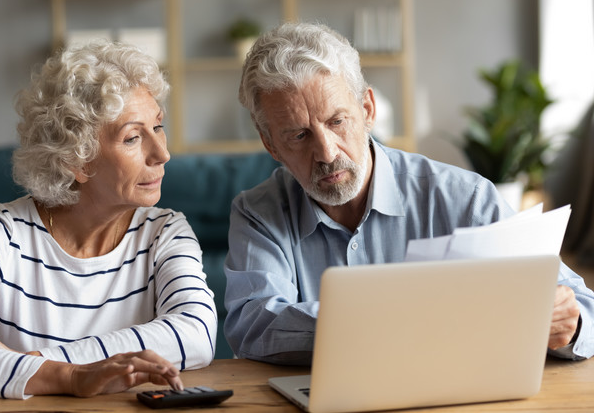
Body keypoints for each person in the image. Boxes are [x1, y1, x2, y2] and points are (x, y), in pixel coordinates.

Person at [224, 22, 594, 365]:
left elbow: (585, 311)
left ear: (367, 109)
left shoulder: (466, 198)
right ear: (271, 144)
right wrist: (403, 319)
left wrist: (568, 323)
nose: (327, 153)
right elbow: (252, 325)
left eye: (337, 122)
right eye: (299, 135)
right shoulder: (257, 213)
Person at [0, 41, 217, 398]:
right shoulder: (2, 232)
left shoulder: (165, 231)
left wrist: (24, 362)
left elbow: (196, 334)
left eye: (157, 126)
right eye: (133, 137)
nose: (162, 153)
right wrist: (71, 378)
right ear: (76, 161)